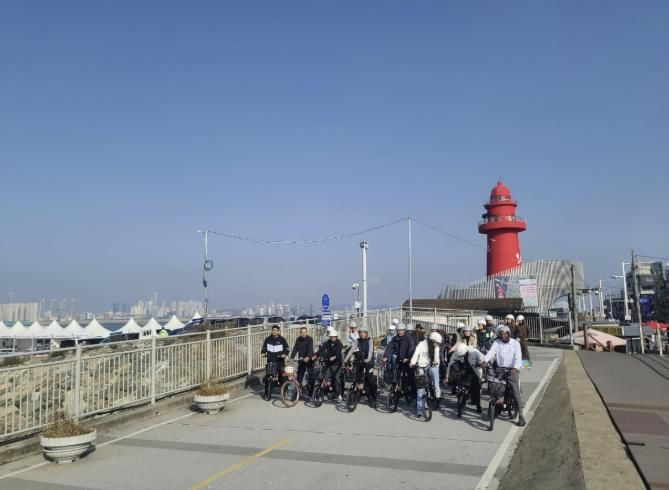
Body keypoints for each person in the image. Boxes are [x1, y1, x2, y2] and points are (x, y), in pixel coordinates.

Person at [482, 325, 525, 426]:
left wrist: (515, 368)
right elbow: (491, 352)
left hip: (512, 370)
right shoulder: (497, 342)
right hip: (500, 369)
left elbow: (518, 357)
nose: (503, 336)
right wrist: (485, 360)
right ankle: (495, 407)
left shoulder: (515, 343)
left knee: (515, 391)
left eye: (505, 334)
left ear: (509, 334)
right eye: (501, 334)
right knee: (495, 388)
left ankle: (521, 415)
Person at [343, 324, 377, 406]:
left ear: (366, 333)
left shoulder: (370, 340)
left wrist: (368, 359)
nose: (362, 334)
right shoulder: (357, 341)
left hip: (369, 363)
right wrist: (345, 359)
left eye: (363, 332)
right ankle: (356, 394)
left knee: (370, 380)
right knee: (356, 377)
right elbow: (351, 350)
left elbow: (370, 351)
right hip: (360, 362)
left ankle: (373, 397)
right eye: (360, 332)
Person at [446, 343, 484, 412]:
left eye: (463, 355)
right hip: (464, 370)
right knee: (454, 369)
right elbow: (450, 364)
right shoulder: (456, 354)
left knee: (476, 387)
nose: (462, 356)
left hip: (474, 370)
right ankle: (457, 388)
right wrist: (447, 377)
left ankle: (478, 405)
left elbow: (483, 360)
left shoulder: (474, 352)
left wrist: (481, 364)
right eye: (460, 355)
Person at [383, 323, 416, 398]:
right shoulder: (395, 338)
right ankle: (396, 388)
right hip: (400, 359)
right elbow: (390, 347)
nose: (400, 332)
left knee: (411, 376)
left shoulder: (409, 338)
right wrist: (386, 356)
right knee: (395, 374)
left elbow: (411, 348)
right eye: (398, 330)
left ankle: (413, 394)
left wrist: (408, 358)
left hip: (408, 360)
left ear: (404, 330)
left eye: (401, 330)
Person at [410, 329, 439, 417]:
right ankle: (419, 410)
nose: (433, 342)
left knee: (432, 384)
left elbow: (437, 358)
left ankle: (435, 396)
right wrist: (412, 362)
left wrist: (436, 361)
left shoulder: (435, 346)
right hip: (420, 366)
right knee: (420, 389)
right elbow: (416, 353)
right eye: (431, 340)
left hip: (429, 366)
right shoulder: (421, 344)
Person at [317, 328, 344, 401]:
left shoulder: (339, 344)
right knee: (325, 378)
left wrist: (334, 357)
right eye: (331, 337)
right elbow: (321, 349)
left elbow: (338, 353)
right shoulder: (327, 343)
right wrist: (316, 355)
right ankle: (324, 394)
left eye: (333, 337)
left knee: (336, 378)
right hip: (329, 363)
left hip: (336, 364)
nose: (332, 338)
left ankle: (339, 394)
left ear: (336, 337)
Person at [291, 327, 314, 391]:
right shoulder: (298, 339)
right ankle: (299, 390)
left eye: (304, 332)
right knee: (299, 376)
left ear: (307, 332)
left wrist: (308, 357)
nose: (303, 334)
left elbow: (310, 349)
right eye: (302, 332)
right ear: (300, 333)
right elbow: (295, 348)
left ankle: (311, 391)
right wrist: (292, 357)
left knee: (311, 375)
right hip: (301, 360)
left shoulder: (310, 339)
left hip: (309, 360)